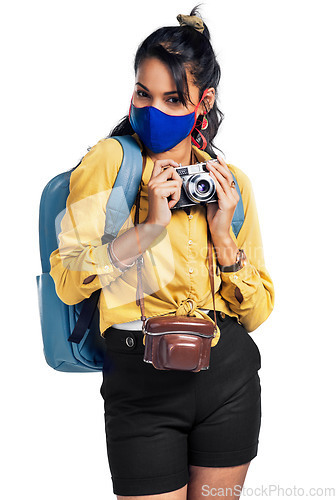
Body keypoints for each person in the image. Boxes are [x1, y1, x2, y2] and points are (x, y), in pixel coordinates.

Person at [49, 5, 275, 499]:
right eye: (143, 93)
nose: (154, 111)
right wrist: (149, 228)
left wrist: (223, 237)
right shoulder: (110, 162)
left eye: (174, 99)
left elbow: (257, 313)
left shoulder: (231, 184)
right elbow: (66, 280)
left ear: (204, 100)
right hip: (141, 379)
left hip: (229, 377)